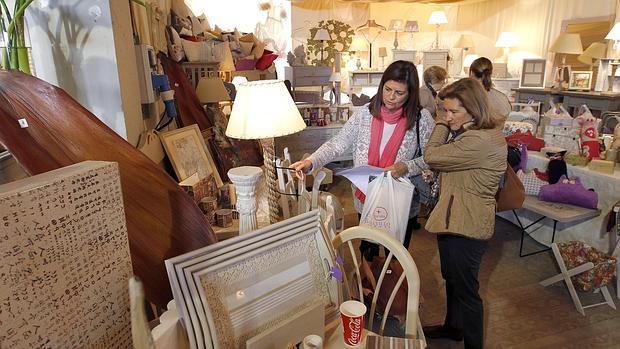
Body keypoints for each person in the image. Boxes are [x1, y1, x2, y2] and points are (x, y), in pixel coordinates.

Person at [291, 60, 434, 257]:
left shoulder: (422, 119)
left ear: (410, 94)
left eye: (399, 93)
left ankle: (392, 279)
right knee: (368, 250)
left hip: (400, 199)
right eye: (388, 89)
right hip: (365, 195)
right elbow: (338, 143)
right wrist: (311, 162)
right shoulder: (366, 113)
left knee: (397, 253)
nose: (391, 97)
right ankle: (368, 281)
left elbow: (431, 158)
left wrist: (405, 167)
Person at [422, 78, 506, 349]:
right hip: (453, 217)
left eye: (453, 111)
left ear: (473, 109)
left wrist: (440, 122)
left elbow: (432, 155)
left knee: (468, 291)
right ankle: (453, 327)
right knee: (453, 279)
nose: (447, 117)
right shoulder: (472, 132)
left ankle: (472, 344)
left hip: (467, 225)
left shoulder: (479, 140)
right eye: (444, 110)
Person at [469, 57, 511, 125]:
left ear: (471, 73)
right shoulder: (501, 97)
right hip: (497, 133)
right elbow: (506, 114)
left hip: (475, 132)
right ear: (490, 73)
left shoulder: (467, 95)